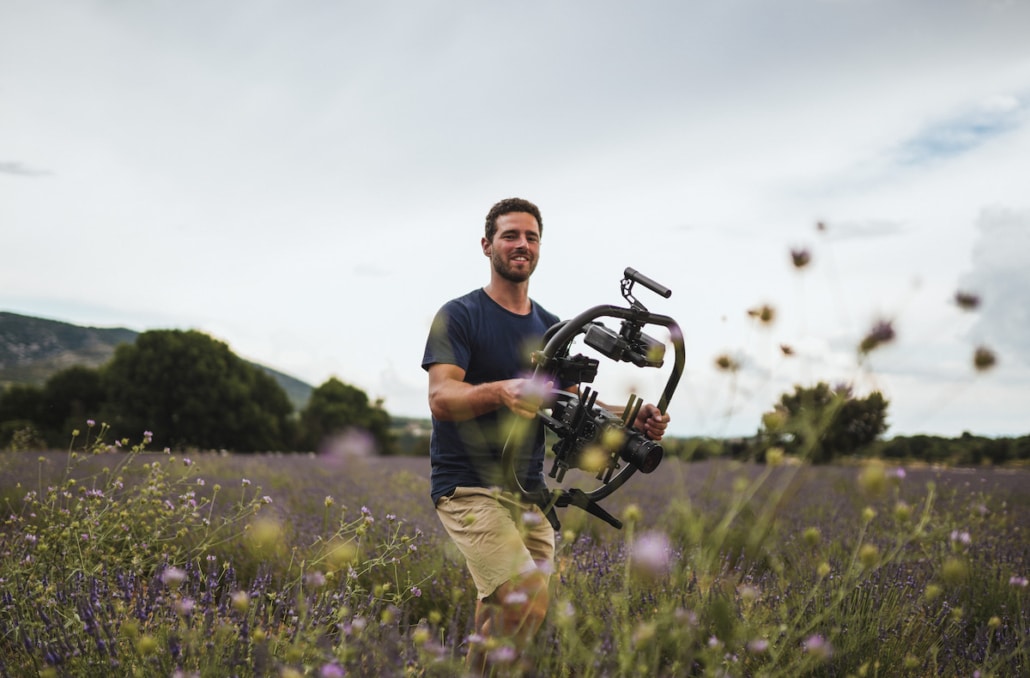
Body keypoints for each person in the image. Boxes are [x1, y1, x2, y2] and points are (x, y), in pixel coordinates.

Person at [421, 197, 670, 674]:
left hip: (528, 492)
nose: (522, 245)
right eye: (510, 235)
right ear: (487, 245)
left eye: (531, 237)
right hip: (468, 486)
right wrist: (501, 391)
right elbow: (441, 397)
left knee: (502, 613)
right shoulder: (459, 315)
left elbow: (572, 400)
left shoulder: (552, 328)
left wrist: (631, 418)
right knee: (527, 600)